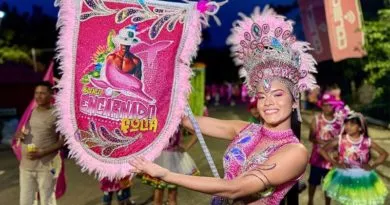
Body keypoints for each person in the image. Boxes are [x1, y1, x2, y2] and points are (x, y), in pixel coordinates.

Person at [130, 6, 318, 204]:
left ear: (295, 101)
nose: (268, 102)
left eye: (278, 94)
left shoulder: (295, 152)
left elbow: (235, 189)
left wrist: (166, 175)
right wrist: (160, 86)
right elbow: (187, 121)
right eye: (262, 96)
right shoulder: (247, 130)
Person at [319, 112, 389, 205]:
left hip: (364, 177)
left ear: (360, 128)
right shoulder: (341, 139)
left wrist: (372, 166)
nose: (348, 127)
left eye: (352, 124)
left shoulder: (366, 141)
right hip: (345, 175)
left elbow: (384, 154)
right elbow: (322, 150)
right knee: (347, 201)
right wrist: (335, 163)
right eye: (346, 124)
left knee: (360, 202)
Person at [15, 81, 65, 205]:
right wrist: (19, 135)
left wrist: (42, 152)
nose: (38, 96)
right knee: (26, 201)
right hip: (26, 166)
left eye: (42, 93)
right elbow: (22, 132)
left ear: (51, 95)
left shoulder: (58, 114)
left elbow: (63, 142)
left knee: (47, 200)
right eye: (36, 93)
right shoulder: (30, 112)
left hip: (47, 166)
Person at [142, 127, 199, 205]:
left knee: (160, 193)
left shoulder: (163, 119)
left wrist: (186, 147)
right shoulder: (178, 120)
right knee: (170, 194)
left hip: (164, 158)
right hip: (170, 158)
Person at [307, 93, 344, 205]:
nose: (326, 107)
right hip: (317, 158)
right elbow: (310, 138)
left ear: (334, 106)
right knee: (313, 182)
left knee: (328, 184)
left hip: (331, 160)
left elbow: (342, 140)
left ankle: (328, 203)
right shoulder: (317, 120)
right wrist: (319, 140)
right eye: (324, 105)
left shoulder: (340, 121)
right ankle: (310, 201)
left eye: (329, 105)